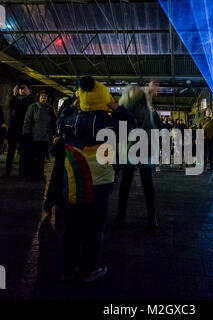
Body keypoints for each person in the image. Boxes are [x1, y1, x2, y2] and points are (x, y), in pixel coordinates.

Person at [57, 76, 136, 282]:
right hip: (99, 184)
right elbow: (131, 124)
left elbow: (59, 120)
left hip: (74, 182)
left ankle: (67, 268)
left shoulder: (71, 121)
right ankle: (88, 269)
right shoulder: (110, 125)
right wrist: (116, 107)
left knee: (72, 226)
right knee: (94, 227)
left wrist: (73, 105)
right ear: (104, 99)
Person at [116, 85, 157, 227]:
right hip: (133, 148)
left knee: (134, 183)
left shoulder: (143, 107)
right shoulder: (131, 105)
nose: (136, 91)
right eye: (133, 90)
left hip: (136, 148)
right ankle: (150, 217)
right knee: (136, 182)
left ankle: (124, 215)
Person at [1, 83, 34, 178]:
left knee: (23, 152)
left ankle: (21, 173)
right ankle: (7, 172)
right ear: (18, 90)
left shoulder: (29, 100)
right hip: (14, 129)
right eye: (21, 88)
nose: (23, 90)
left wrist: (29, 95)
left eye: (25, 88)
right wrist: (14, 95)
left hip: (24, 129)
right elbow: (11, 106)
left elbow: (30, 106)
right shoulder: (15, 99)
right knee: (10, 152)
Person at [22, 90, 56, 180]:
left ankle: (39, 175)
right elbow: (27, 121)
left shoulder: (50, 108)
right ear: (38, 97)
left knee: (41, 158)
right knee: (32, 157)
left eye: (45, 96)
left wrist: (54, 134)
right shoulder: (33, 107)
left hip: (45, 137)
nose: (43, 97)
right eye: (42, 95)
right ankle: (30, 175)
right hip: (34, 136)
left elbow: (53, 122)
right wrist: (26, 133)